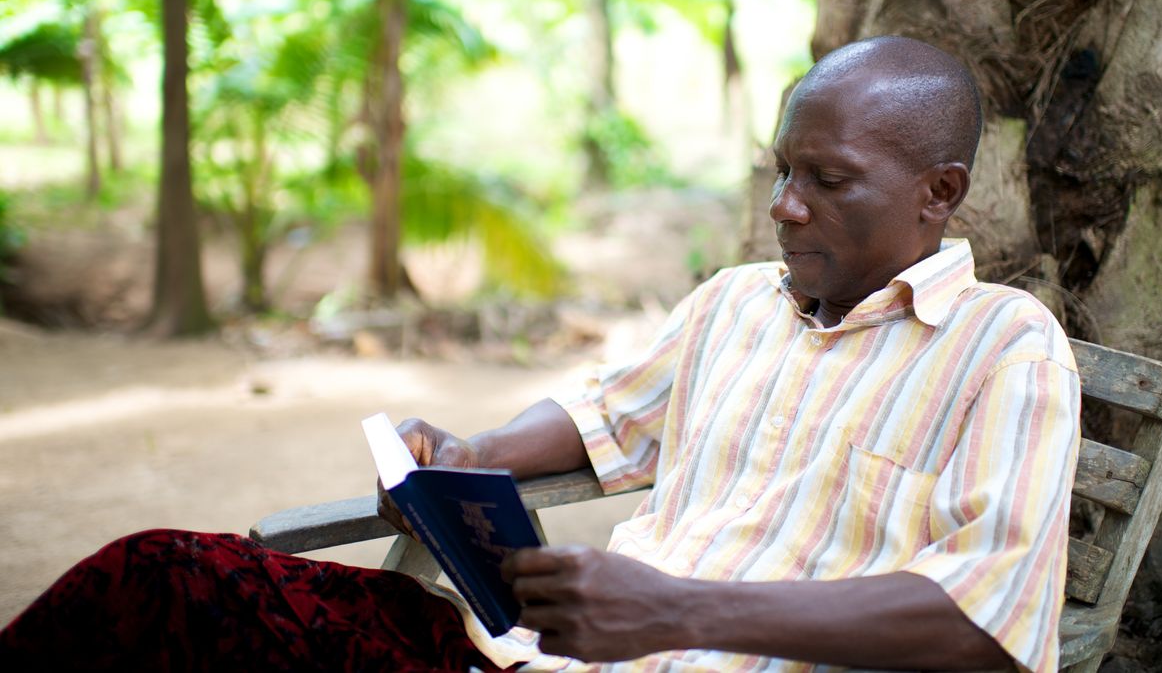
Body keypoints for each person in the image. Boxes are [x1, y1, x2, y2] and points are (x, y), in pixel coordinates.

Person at [0, 35, 1079, 673]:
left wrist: (677, 609)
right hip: (522, 660)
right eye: (779, 171)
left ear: (938, 193)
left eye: (826, 181)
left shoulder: (1003, 352)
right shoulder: (736, 306)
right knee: (158, 584)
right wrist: (470, 454)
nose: (783, 207)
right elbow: (607, 417)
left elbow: (988, 621)